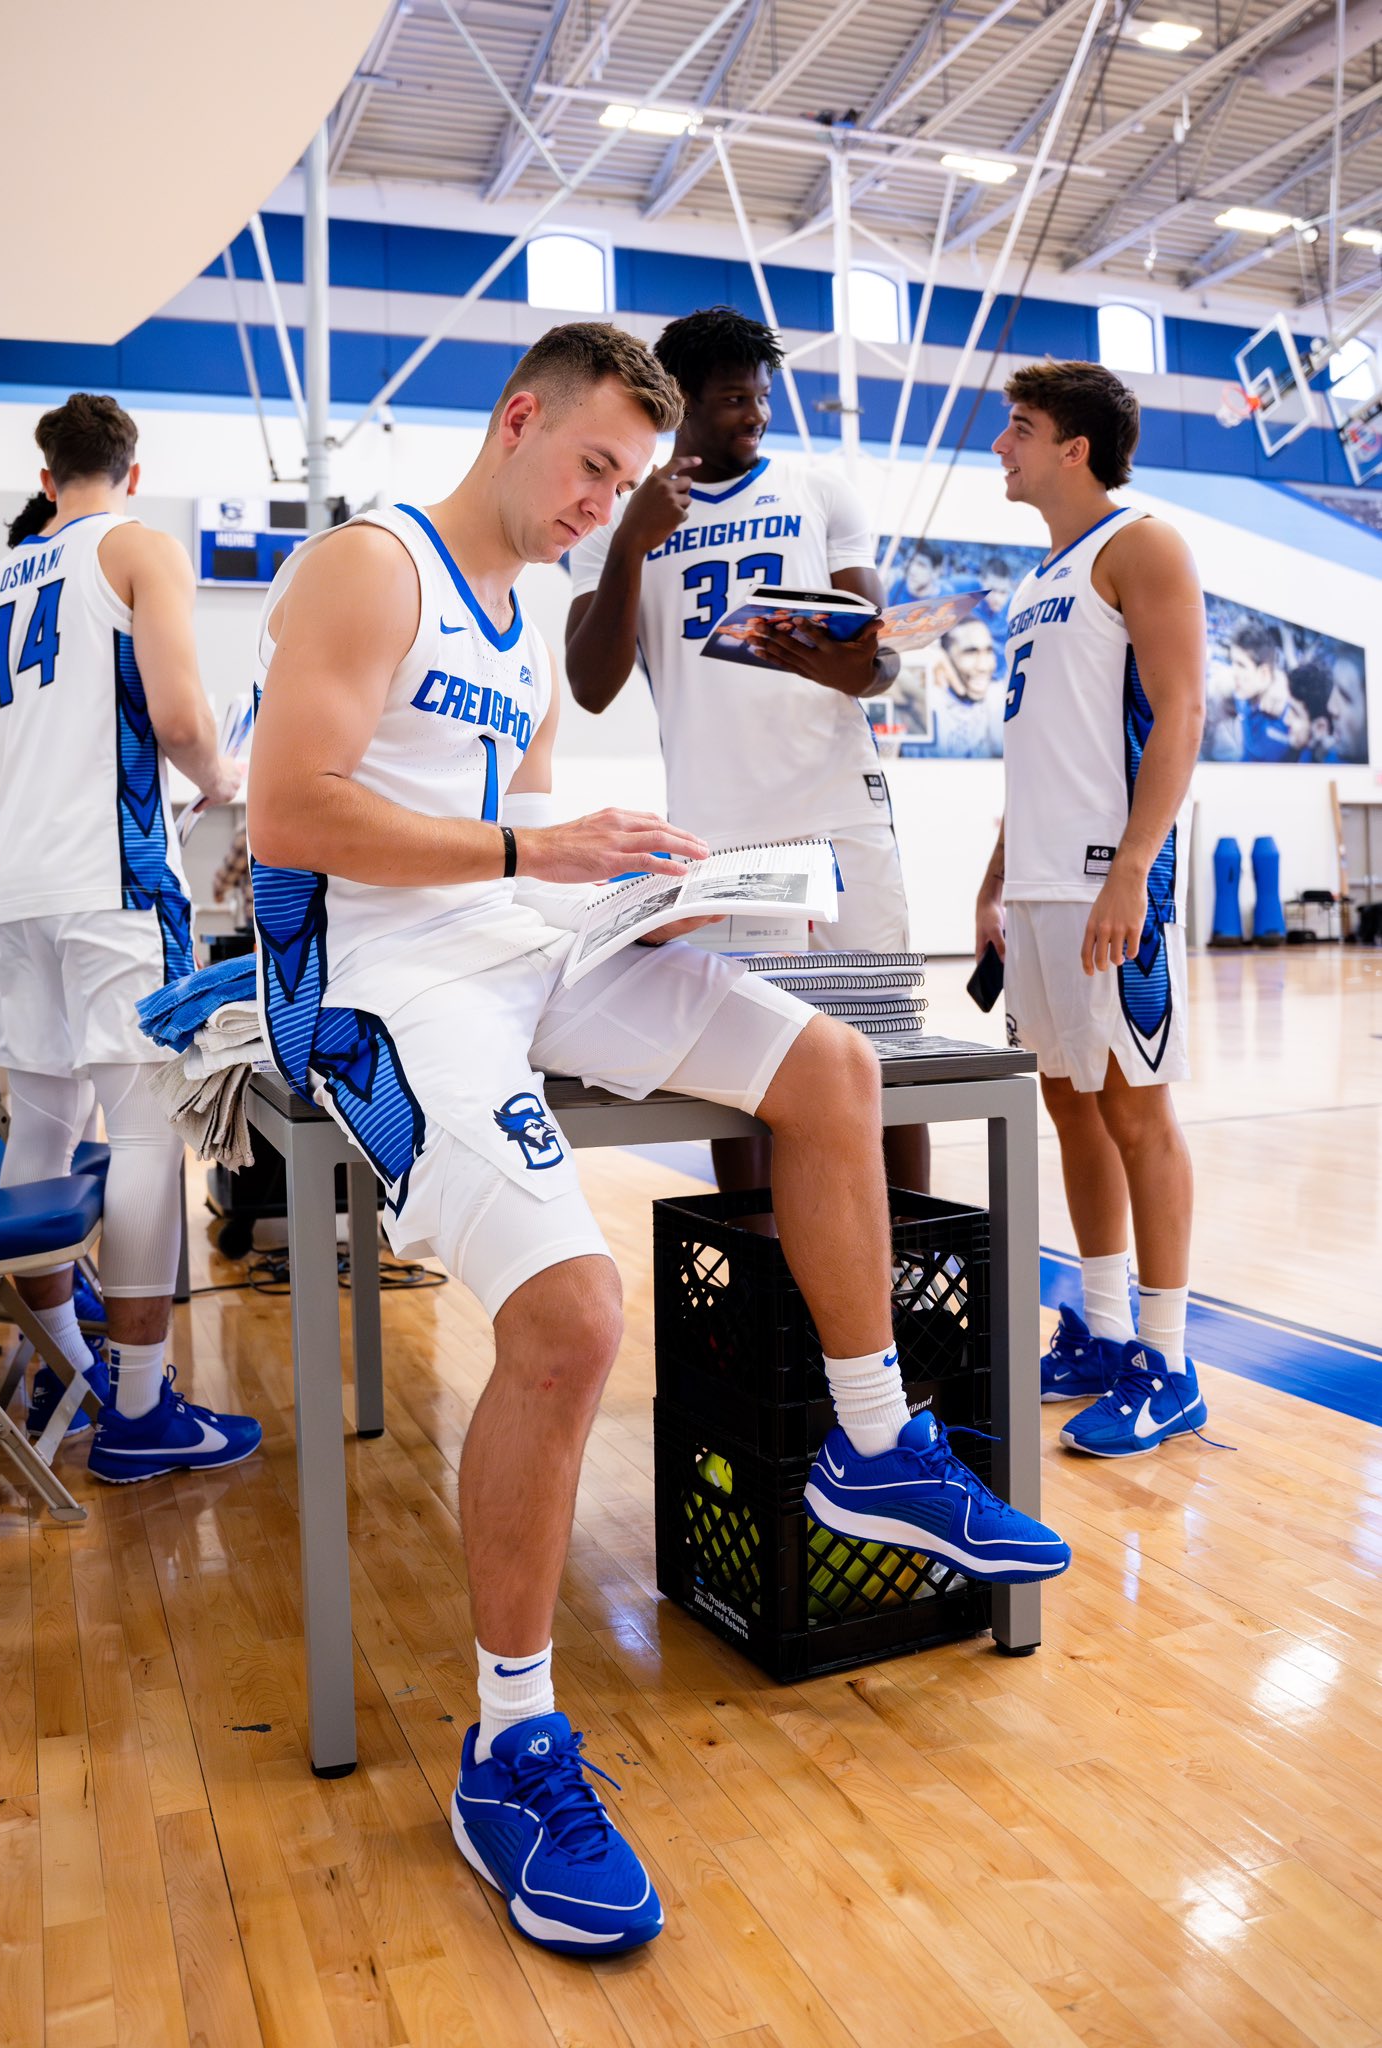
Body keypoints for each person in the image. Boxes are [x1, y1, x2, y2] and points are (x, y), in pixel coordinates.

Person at [248, 320, 1068, 1962]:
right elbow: (288, 813)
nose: (602, 501)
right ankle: (510, 1734)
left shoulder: (523, 611)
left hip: (523, 943)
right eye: (591, 469)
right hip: (396, 979)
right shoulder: (369, 564)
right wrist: (528, 843)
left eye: (627, 480)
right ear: (515, 417)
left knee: (828, 1069)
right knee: (569, 1318)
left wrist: (627, 880)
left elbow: (518, 837)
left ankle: (868, 1438)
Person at [0, 391, 261, 1480]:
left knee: (38, 1130)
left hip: (15, 892)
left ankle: (67, 1364)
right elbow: (181, 723)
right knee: (140, 1133)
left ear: (46, 478)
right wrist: (225, 778)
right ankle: (138, 1409)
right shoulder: (139, 547)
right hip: (116, 884)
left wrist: (12, 869)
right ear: (133, 469)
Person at [563, 306, 929, 1196]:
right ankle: (766, 1288)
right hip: (720, 830)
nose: (756, 415)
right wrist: (633, 549)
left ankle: (913, 1265)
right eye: (735, 400)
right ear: (681, 403)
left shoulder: (820, 490)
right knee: (746, 1069)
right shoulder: (622, 520)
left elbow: (874, 663)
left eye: (762, 397)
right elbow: (590, 684)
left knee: (889, 1048)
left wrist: (856, 664)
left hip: (839, 808)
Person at [978, 360, 1209, 1456]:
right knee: (1070, 1107)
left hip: (1107, 882)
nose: (1000, 446)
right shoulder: (1037, 580)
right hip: (1035, 886)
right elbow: (1042, 742)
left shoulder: (1144, 545)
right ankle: (1103, 1327)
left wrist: (1133, 866)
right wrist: (995, 866)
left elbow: (1182, 711)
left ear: (1074, 447)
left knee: (1136, 1109)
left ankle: (1169, 1358)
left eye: (1018, 429)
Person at [925, 617, 1004, 758]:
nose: (983, 666)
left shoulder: (998, 697)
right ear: (945, 657)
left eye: (988, 651)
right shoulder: (926, 698)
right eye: (970, 652)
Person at [1228, 620, 1296, 760]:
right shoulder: (1241, 694)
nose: (1233, 672)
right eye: (1232, 662)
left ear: (1264, 673)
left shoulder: (1289, 718)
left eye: (1241, 665)